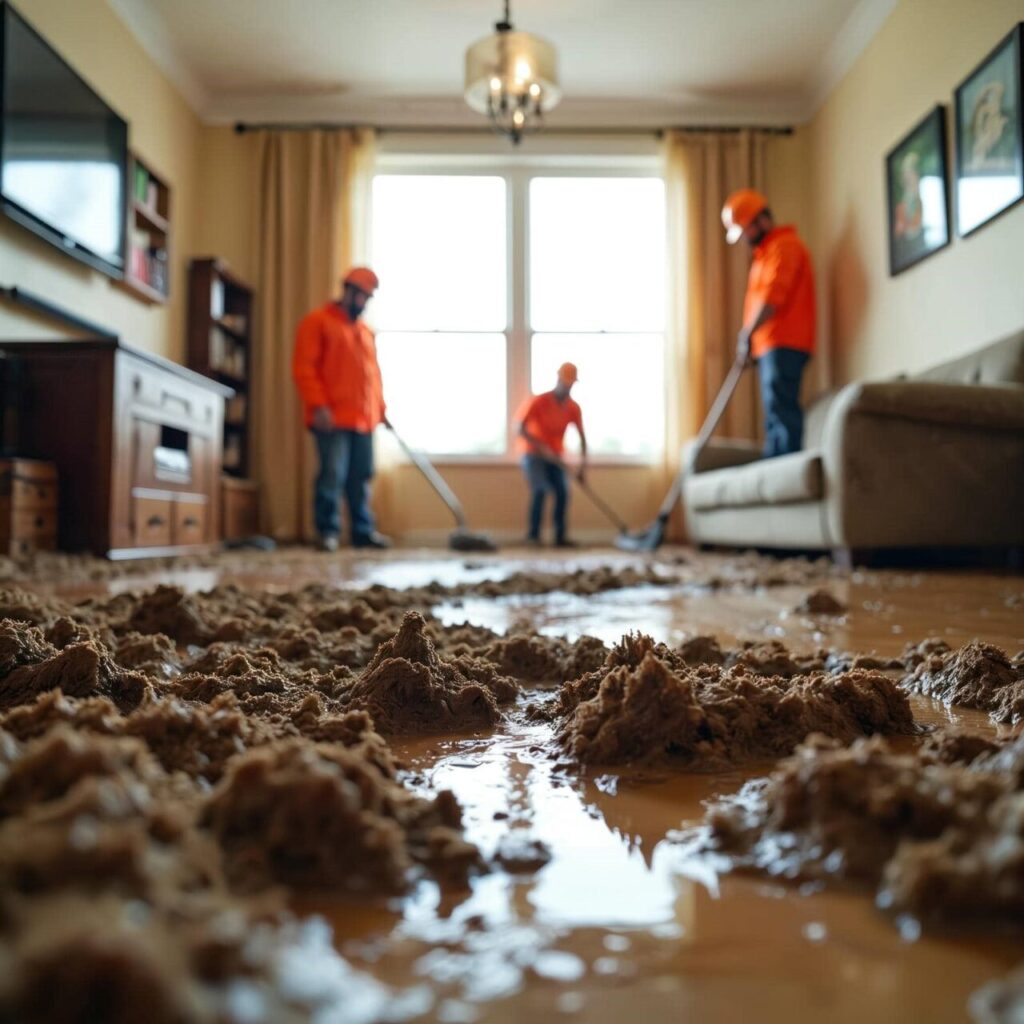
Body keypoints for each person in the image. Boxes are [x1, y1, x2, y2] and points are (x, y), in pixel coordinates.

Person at [292, 266, 392, 551]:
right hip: (331, 417)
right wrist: (318, 404)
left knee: (361, 477)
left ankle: (362, 531)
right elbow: (304, 368)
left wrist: (381, 409)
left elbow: (373, 376)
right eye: (362, 296)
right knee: (332, 474)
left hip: (364, 418)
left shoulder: (364, 331)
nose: (365, 303)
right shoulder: (318, 322)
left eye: (368, 298)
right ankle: (328, 532)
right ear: (348, 291)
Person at [722, 189, 816, 458]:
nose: (744, 240)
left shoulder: (785, 247)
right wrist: (752, 343)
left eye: (745, 231)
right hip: (768, 345)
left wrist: (746, 335)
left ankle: (783, 472)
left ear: (761, 221)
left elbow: (773, 298)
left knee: (782, 411)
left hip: (785, 343)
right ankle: (773, 471)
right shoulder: (764, 254)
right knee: (773, 414)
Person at [516, 362, 588, 547]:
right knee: (540, 489)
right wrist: (541, 447)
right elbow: (519, 428)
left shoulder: (573, 408)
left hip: (556, 457)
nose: (568, 386)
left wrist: (582, 468)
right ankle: (533, 536)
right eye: (566, 382)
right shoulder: (539, 401)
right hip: (533, 455)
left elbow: (582, 439)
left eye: (571, 383)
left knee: (563, 491)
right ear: (558, 380)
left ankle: (560, 537)